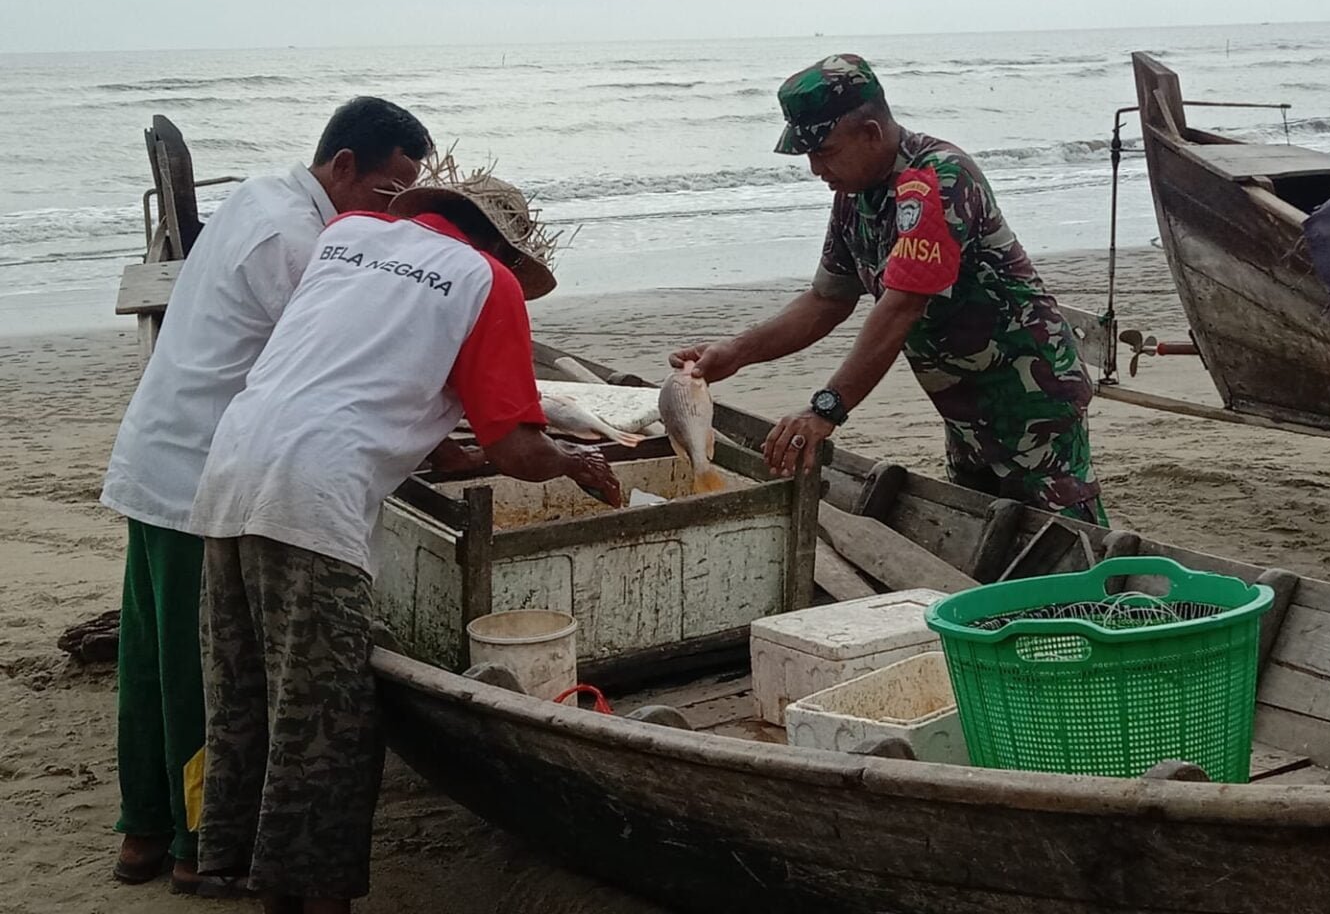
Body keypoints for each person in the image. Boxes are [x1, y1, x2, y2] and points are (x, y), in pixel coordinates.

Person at [190, 171, 621, 914]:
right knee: (327, 711)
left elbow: (357, 368)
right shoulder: (489, 283)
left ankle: (224, 859)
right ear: (504, 248)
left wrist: (440, 448)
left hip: (231, 465)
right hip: (314, 490)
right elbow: (520, 449)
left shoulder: (348, 237)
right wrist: (574, 461)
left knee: (244, 689)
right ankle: (313, 896)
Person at [98, 97, 432, 895]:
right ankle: (192, 845)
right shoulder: (296, 240)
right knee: (199, 676)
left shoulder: (260, 194)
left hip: (159, 452)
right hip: (200, 479)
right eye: (389, 192)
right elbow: (324, 361)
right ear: (342, 165)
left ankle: (141, 835)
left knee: (149, 665)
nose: (392, 211)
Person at [671, 53, 1103, 524]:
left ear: (872, 132)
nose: (816, 168)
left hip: (1031, 395)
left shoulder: (938, 180)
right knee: (988, 530)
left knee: (1066, 544)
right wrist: (737, 352)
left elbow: (901, 307)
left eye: (826, 151)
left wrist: (827, 408)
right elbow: (827, 300)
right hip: (963, 404)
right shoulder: (855, 196)